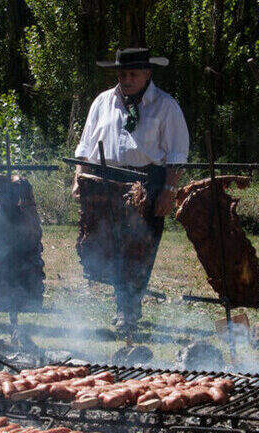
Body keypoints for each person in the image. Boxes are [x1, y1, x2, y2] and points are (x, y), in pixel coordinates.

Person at [74, 48, 189, 329]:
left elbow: (176, 153)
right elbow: (85, 146)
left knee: (140, 248)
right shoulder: (103, 102)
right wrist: (79, 176)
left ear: (147, 74)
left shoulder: (165, 105)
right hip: (106, 181)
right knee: (109, 247)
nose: (126, 79)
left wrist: (169, 191)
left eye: (133, 74)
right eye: (122, 73)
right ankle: (122, 303)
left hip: (146, 182)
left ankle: (128, 309)